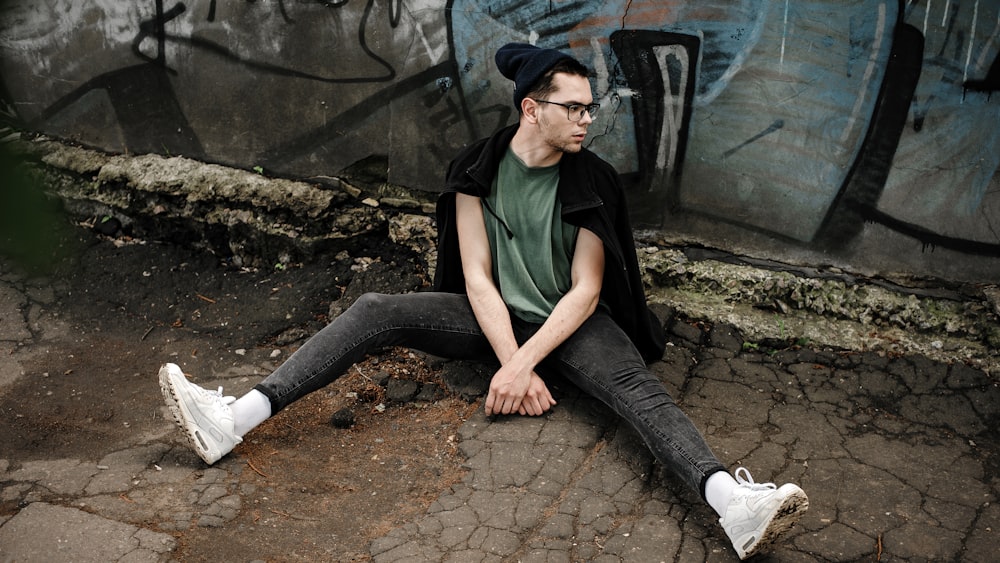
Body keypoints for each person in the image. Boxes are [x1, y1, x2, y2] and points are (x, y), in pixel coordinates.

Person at [159, 42, 808, 560]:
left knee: (639, 391)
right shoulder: (477, 168)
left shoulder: (593, 178)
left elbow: (585, 290)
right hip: (494, 316)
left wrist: (525, 362)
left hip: (572, 323)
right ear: (533, 108)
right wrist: (512, 362)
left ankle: (732, 504)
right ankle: (232, 420)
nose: (589, 118)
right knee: (377, 309)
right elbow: (475, 275)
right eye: (575, 107)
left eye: (590, 107)